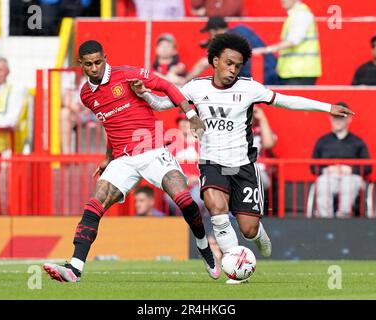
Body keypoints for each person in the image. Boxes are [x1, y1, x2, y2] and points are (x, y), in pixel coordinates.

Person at [129, 33, 353, 284]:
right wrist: (144, 93)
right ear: (215, 61)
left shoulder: (249, 88)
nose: (233, 70)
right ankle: (236, 271)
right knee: (217, 211)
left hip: (243, 167)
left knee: (249, 229)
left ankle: (258, 235)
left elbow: (286, 101)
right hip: (212, 163)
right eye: (228, 63)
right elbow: (161, 105)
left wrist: (326, 107)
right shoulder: (195, 87)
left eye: (237, 65)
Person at [43, 40, 220, 283]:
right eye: (89, 64)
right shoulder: (86, 95)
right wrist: (108, 158)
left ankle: (203, 246)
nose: (94, 68)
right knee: (95, 204)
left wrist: (191, 115)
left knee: (184, 199)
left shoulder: (126, 74)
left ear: (105, 58)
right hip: (123, 159)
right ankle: (74, 268)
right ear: (81, 65)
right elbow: (110, 125)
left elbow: (167, 85)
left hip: (152, 149)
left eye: (98, 62)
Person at [311, 102, 372, 218]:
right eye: (335, 117)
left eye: (341, 118)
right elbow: (313, 166)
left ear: (349, 119)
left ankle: (344, 217)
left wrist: (350, 170)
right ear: (330, 118)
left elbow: (368, 167)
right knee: (323, 182)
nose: (337, 121)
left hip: (351, 177)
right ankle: (325, 219)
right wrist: (326, 170)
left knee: (348, 183)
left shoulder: (358, 142)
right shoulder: (322, 141)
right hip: (329, 177)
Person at [185, 16, 279, 85]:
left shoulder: (227, 41)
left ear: (214, 31)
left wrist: (185, 81)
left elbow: (203, 63)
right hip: (273, 72)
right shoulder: (242, 29)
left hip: (257, 79)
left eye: (210, 33)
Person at [0, 58, 25, 214]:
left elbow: (12, 118)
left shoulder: (14, 90)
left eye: (0, 70)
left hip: (0, 144)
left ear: (7, 72)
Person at [252, 0, 322, 85]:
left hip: (300, 73)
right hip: (295, 72)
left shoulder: (301, 15)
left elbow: (293, 41)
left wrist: (266, 50)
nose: (282, 1)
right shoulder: (296, 15)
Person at [165, 112, 203, 216]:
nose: (183, 124)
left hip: (198, 183)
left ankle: (199, 224)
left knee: (196, 197)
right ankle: (183, 226)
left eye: (186, 121)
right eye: (181, 122)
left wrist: (197, 178)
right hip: (179, 183)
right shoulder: (172, 144)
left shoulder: (202, 143)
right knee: (169, 198)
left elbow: (208, 167)